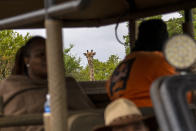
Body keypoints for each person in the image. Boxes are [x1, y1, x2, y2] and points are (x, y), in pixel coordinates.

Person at [0, 36, 94, 131]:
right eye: (41, 55)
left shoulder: (68, 84)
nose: (48, 58)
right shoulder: (10, 86)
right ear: (27, 60)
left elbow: (90, 118)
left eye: (51, 53)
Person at [106, 19, 178, 107]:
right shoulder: (156, 60)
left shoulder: (122, 65)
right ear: (162, 38)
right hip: (151, 117)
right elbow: (182, 94)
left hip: (122, 116)